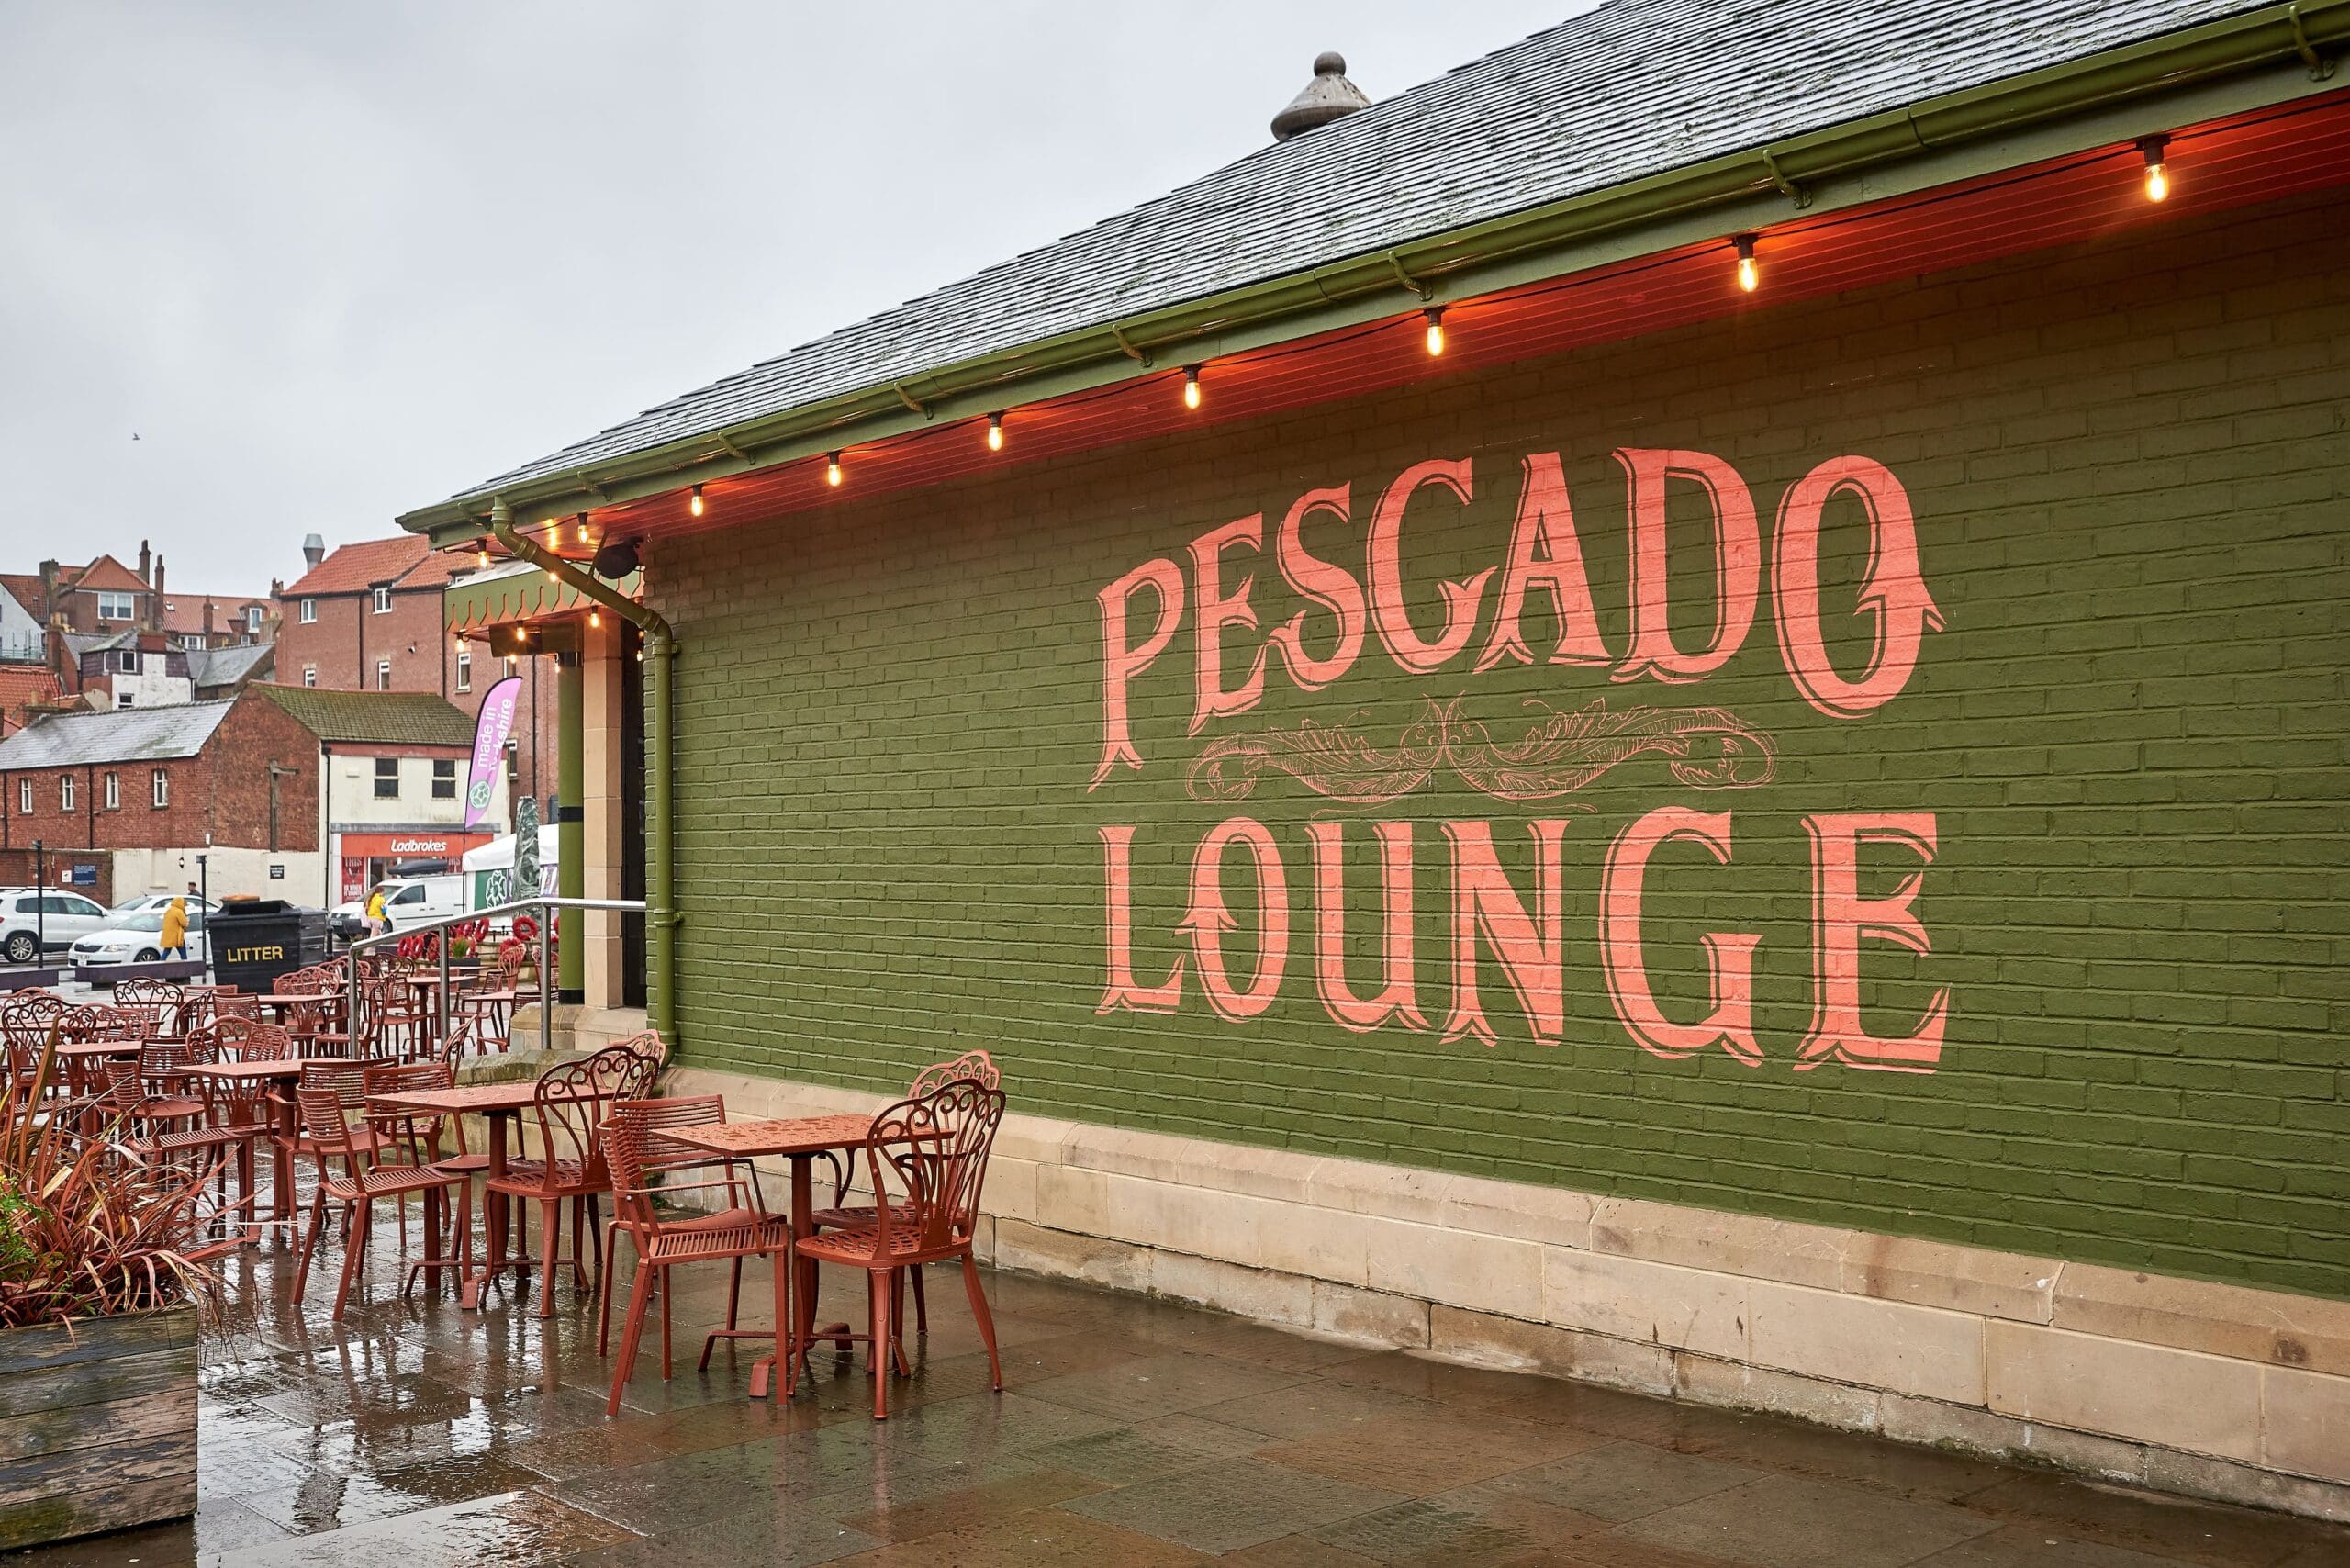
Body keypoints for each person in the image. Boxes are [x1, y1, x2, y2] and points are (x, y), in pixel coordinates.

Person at [159, 895, 189, 961]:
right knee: (183, 953)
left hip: (168, 936)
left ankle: (159, 965)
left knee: (166, 951)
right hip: (177, 936)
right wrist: (187, 923)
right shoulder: (179, 911)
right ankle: (185, 966)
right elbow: (184, 923)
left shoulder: (168, 911)